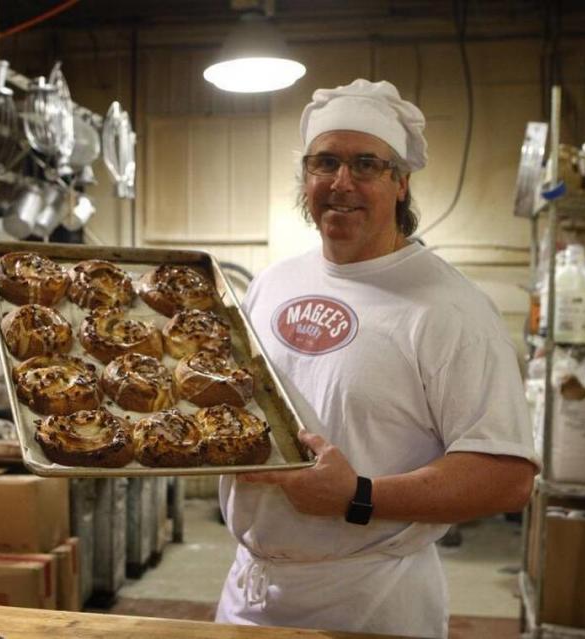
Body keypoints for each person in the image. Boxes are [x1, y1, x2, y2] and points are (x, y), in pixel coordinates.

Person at [214, 79, 539, 638]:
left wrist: (357, 496)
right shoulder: (272, 282)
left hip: (370, 602)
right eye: (325, 163)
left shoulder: (450, 310)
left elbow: (507, 477)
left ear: (401, 183)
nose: (341, 183)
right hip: (249, 591)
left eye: (366, 164)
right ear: (306, 177)